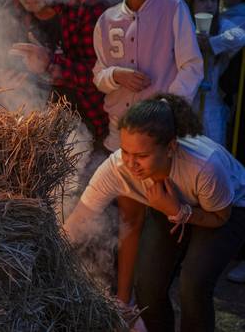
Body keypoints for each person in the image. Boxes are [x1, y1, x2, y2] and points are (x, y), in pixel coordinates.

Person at [64, 93, 245, 332]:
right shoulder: (117, 168)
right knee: (147, 285)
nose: (130, 163)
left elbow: (220, 216)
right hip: (167, 206)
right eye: (125, 151)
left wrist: (181, 212)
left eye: (141, 156)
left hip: (225, 211)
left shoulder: (204, 167)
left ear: (170, 147)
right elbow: (76, 224)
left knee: (193, 283)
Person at [93, 0, 203, 152]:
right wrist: (115, 75)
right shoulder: (107, 20)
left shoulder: (173, 9)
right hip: (118, 132)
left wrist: (165, 107)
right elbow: (99, 75)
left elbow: (192, 66)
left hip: (159, 131)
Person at [5, 0, 110, 147]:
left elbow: (102, 77)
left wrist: (49, 64)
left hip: (92, 128)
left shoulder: (87, 6)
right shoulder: (13, 10)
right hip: (35, 130)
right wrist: (4, 81)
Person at [179, 0, 228, 145]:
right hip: (187, 103)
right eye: (202, 0)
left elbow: (240, 36)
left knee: (213, 151)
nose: (209, 5)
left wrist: (212, 43)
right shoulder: (180, 27)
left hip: (211, 105)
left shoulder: (221, 26)